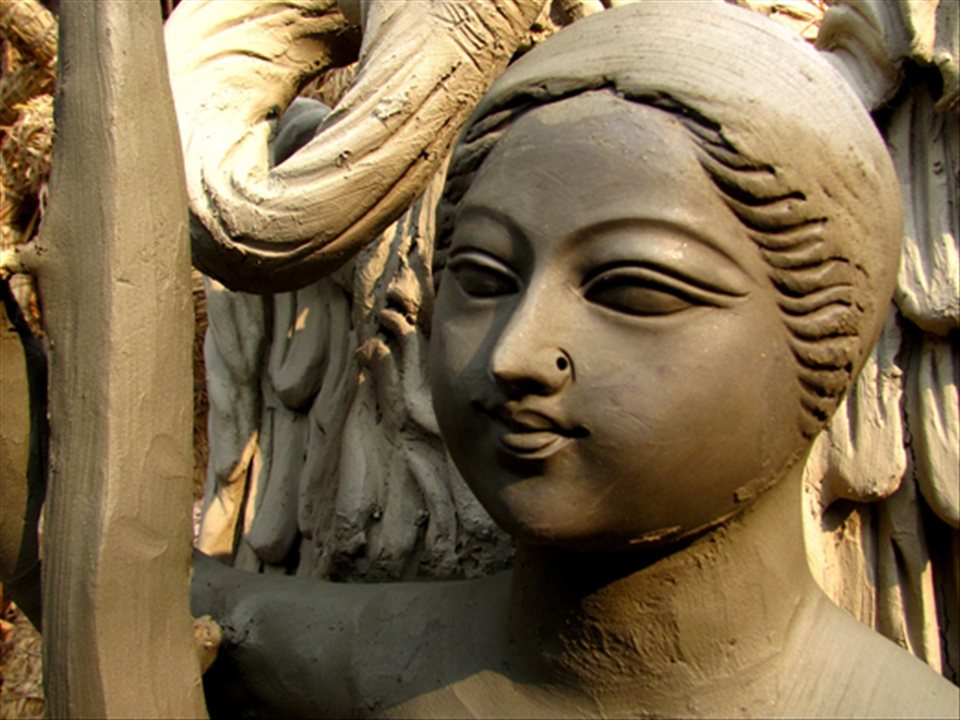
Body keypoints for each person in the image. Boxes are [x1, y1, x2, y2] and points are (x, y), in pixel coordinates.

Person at [191, 4, 959, 717]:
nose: (515, 355)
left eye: (631, 289)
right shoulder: (314, 660)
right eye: (484, 280)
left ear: (831, 337)